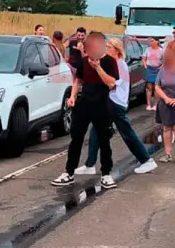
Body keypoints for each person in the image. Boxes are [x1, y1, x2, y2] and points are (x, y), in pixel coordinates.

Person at [76, 38, 159, 176]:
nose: (105, 49)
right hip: (110, 102)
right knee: (96, 130)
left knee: (126, 133)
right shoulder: (113, 63)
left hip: (116, 103)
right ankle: (90, 164)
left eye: (108, 47)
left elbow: (111, 84)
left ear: (116, 50)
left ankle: (146, 160)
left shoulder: (120, 65)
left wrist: (98, 68)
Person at [52, 32, 119, 189]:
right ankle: (69, 172)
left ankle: (106, 174)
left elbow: (111, 83)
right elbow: (78, 79)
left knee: (104, 140)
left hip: (102, 104)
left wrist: (98, 68)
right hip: (83, 103)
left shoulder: (110, 62)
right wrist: (73, 96)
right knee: (76, 138)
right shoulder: (83, 61)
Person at [142, 36, 164, 111]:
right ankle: (148, 104)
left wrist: (161, 66)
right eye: (150, 41)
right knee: (149, 87)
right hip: (149, 69)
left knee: (156, 88)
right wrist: (145, 65)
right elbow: (144, 58)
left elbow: (165, 60)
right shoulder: (148, 49)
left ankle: (156, 104)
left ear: (157, 41)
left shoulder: (161, 50)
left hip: (157, 70)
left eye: (152, 41)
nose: (150, 42)